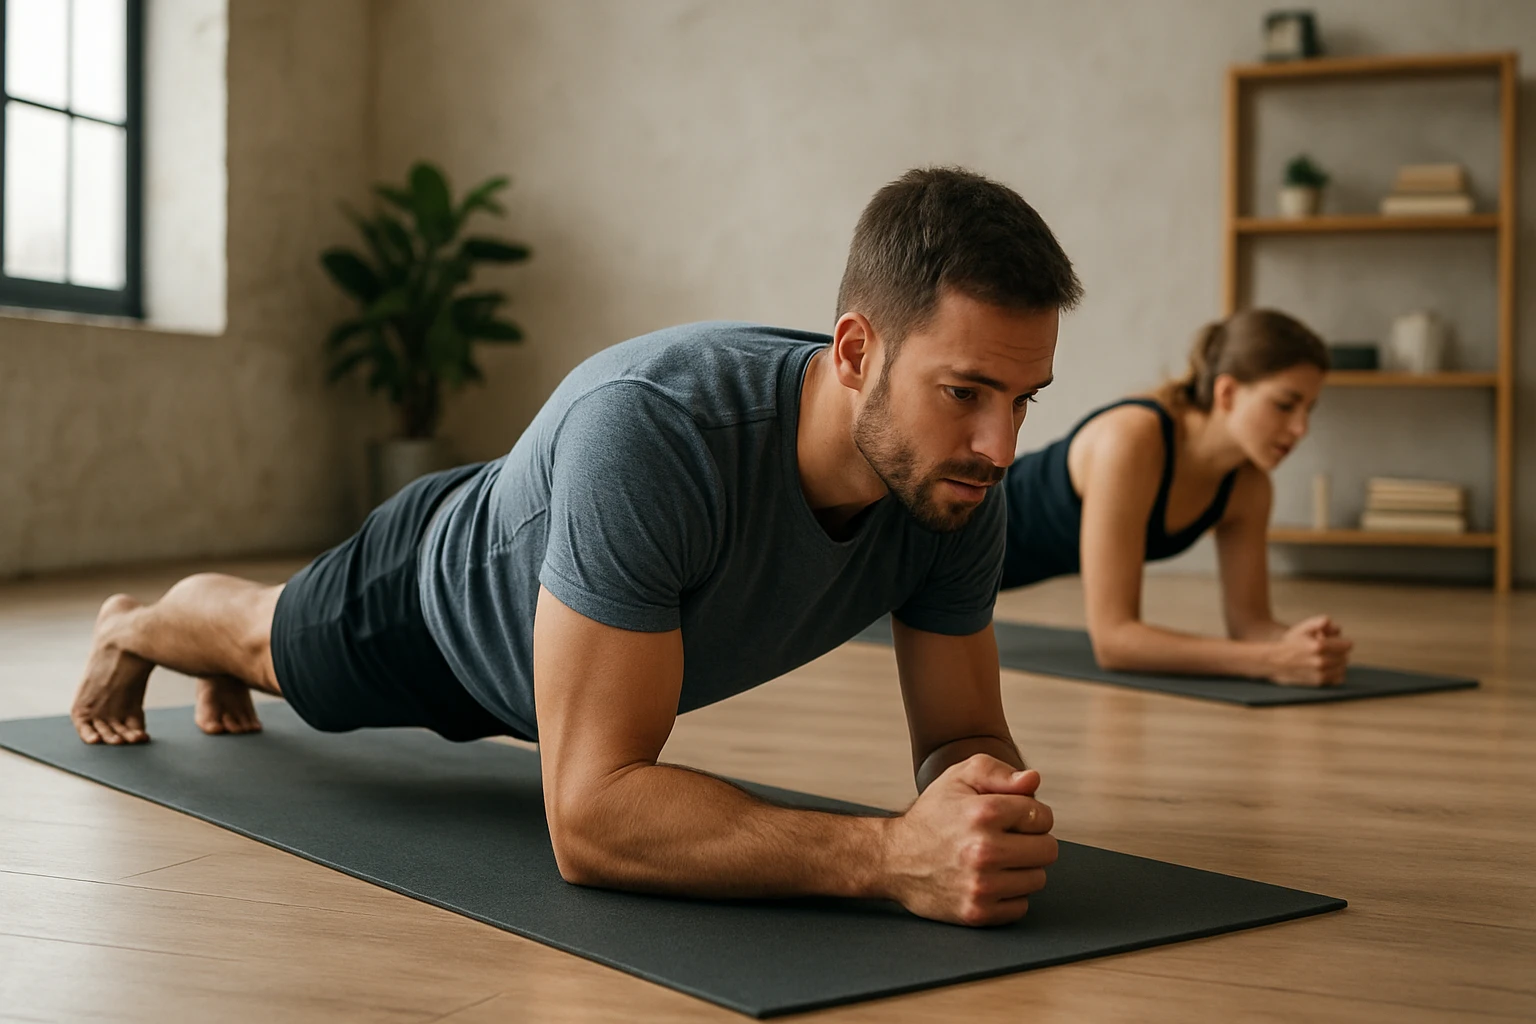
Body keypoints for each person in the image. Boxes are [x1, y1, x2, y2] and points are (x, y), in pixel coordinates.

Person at [69, 167, 1083, 928]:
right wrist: (891, 855)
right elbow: (592, 817)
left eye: (1022, 400)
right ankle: (142, 623)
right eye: (965, 393)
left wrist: (980, 803)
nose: (1002, 446)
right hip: (434, 604)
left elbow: (960, 730)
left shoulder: (955, 482)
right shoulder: (655, 430)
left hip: (562, 661)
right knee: (263, 644)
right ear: (858, 351)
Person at [1000, 308, 1353, 686]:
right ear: (1228, 392)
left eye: (1308, 409)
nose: (1301, 428)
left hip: (979, 576)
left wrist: (1300, 646)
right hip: (950, 532)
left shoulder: (1248, 487)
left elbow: (1251, 624)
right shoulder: (1132, 440)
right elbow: (1115, 642)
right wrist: (1270, 661)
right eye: (1285, 405)